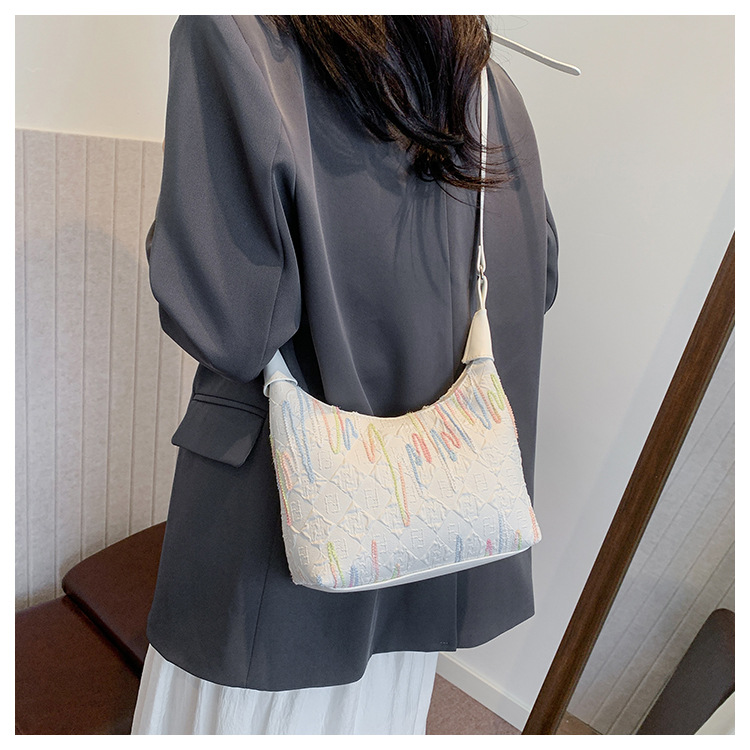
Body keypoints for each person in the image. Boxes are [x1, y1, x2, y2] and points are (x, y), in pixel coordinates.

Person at [131, 14, 559, 735]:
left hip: (275, 551)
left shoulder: (235, 35)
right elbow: (534, 284)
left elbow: (229, 323)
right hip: (428, 543)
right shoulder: (489, 89)